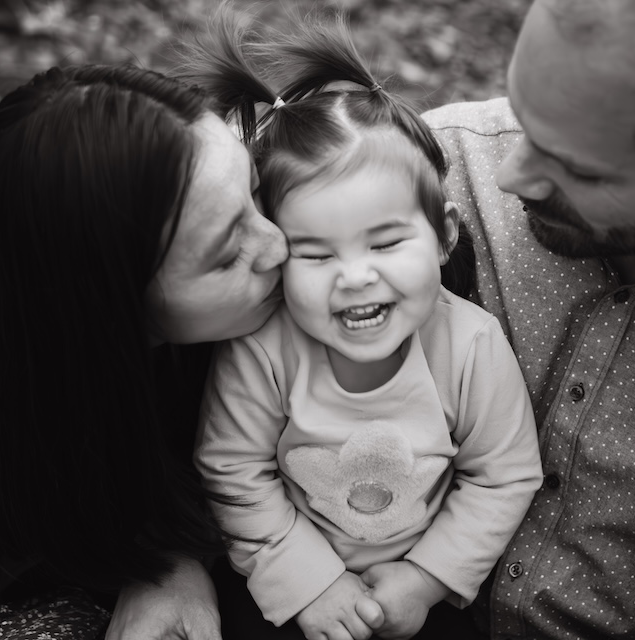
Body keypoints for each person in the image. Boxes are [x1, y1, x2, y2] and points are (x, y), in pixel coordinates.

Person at [181, 15, 543, 640]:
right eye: (315, 254)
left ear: (443, 236)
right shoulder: (264, 347)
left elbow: (502, 473)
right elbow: (234, 471)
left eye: (384, 243)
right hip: (283, 583)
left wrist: (428, 578)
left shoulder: (471, 346)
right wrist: (308, 583)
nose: (354, 277)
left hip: (419, 593)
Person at [0, 63, 288, 639]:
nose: (277, 245)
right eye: (224, 253)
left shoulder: (268, 310)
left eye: (257, 194)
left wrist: (171, 565)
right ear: (109, 311)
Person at [421, 0, 635, 637]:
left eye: (579, 168)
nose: (508, 174)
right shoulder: (431, 171)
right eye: (522, 117)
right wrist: (169, 565)